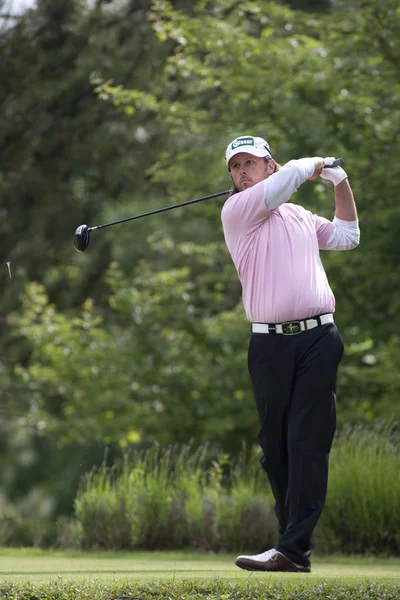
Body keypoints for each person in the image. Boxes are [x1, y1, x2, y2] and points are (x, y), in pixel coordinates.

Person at [221, 136, 360, 573]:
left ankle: (293, 548)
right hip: (269, 345)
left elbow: (347, 236)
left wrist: (341, 182)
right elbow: (292, 178)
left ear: (269, 165)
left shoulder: (299, 215)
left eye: (251, 163)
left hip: (320, 339)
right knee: (275, 449)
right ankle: (289, 546)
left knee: (306, 443)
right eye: (235, 166)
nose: (242, 170)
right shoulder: (237, 212)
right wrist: (317, 162)